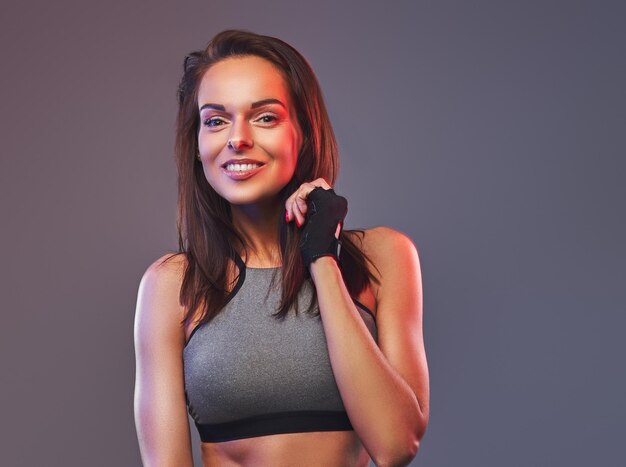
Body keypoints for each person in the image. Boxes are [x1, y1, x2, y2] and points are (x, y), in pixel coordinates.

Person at [134, 29, 429, 466]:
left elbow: (396, 443)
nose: (237, 138)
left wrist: (322, 258)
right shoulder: (171, 285)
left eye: (265, 117)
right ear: (197, 145)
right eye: (216, 120)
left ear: (304, 133)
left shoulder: (383, 257)